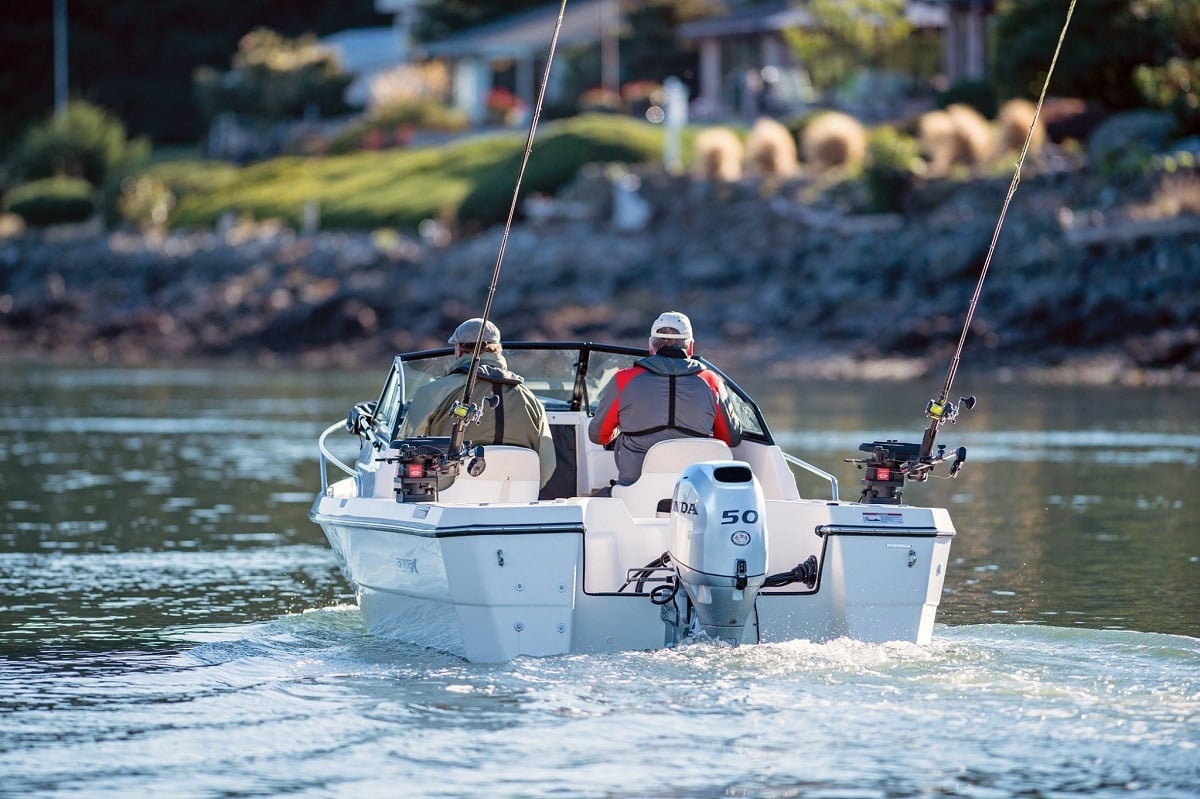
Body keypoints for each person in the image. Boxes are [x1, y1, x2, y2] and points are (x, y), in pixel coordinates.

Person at [588, 310, 742, 490]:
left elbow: (598, 436)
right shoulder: (712, 382)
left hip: (635, 491)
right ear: (690, 347)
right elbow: (730, 438)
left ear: (651, 346)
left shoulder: (623, 380)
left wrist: (622, 431)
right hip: (697, 492)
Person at [398, 317, 555, 488]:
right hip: (517, 498)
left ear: (459, 349)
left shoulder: (431, 392)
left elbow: (405, 448)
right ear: (498, 350)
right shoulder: (532, 401)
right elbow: (547, 466)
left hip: (443, 497)